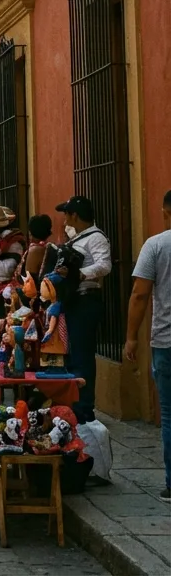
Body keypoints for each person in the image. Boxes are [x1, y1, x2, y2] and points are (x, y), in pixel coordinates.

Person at [124, 190, 171, 500]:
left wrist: (131, 336)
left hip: (166, 341)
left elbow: (140, 294)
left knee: (168, 414)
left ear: (166, 211)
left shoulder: (156, 245)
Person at [56, 195, 111, 422]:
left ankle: (84, 407)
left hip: (86, 300)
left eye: (67, 214)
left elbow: (105, 265)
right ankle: (75, 403)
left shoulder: (96, 238)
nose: (65, 218)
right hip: (73, 301)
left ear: (75, 215)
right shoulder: (76, 238)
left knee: (83, 356)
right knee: (73, 355)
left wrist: (80, 274)